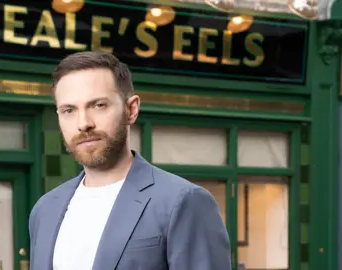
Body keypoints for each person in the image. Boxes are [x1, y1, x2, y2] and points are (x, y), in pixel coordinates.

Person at [28, 51, 231, 270]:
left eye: (98, 105)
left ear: (131, 109)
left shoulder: (183, 202)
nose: (83, 123)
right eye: (69, 110)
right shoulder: (45, 210)